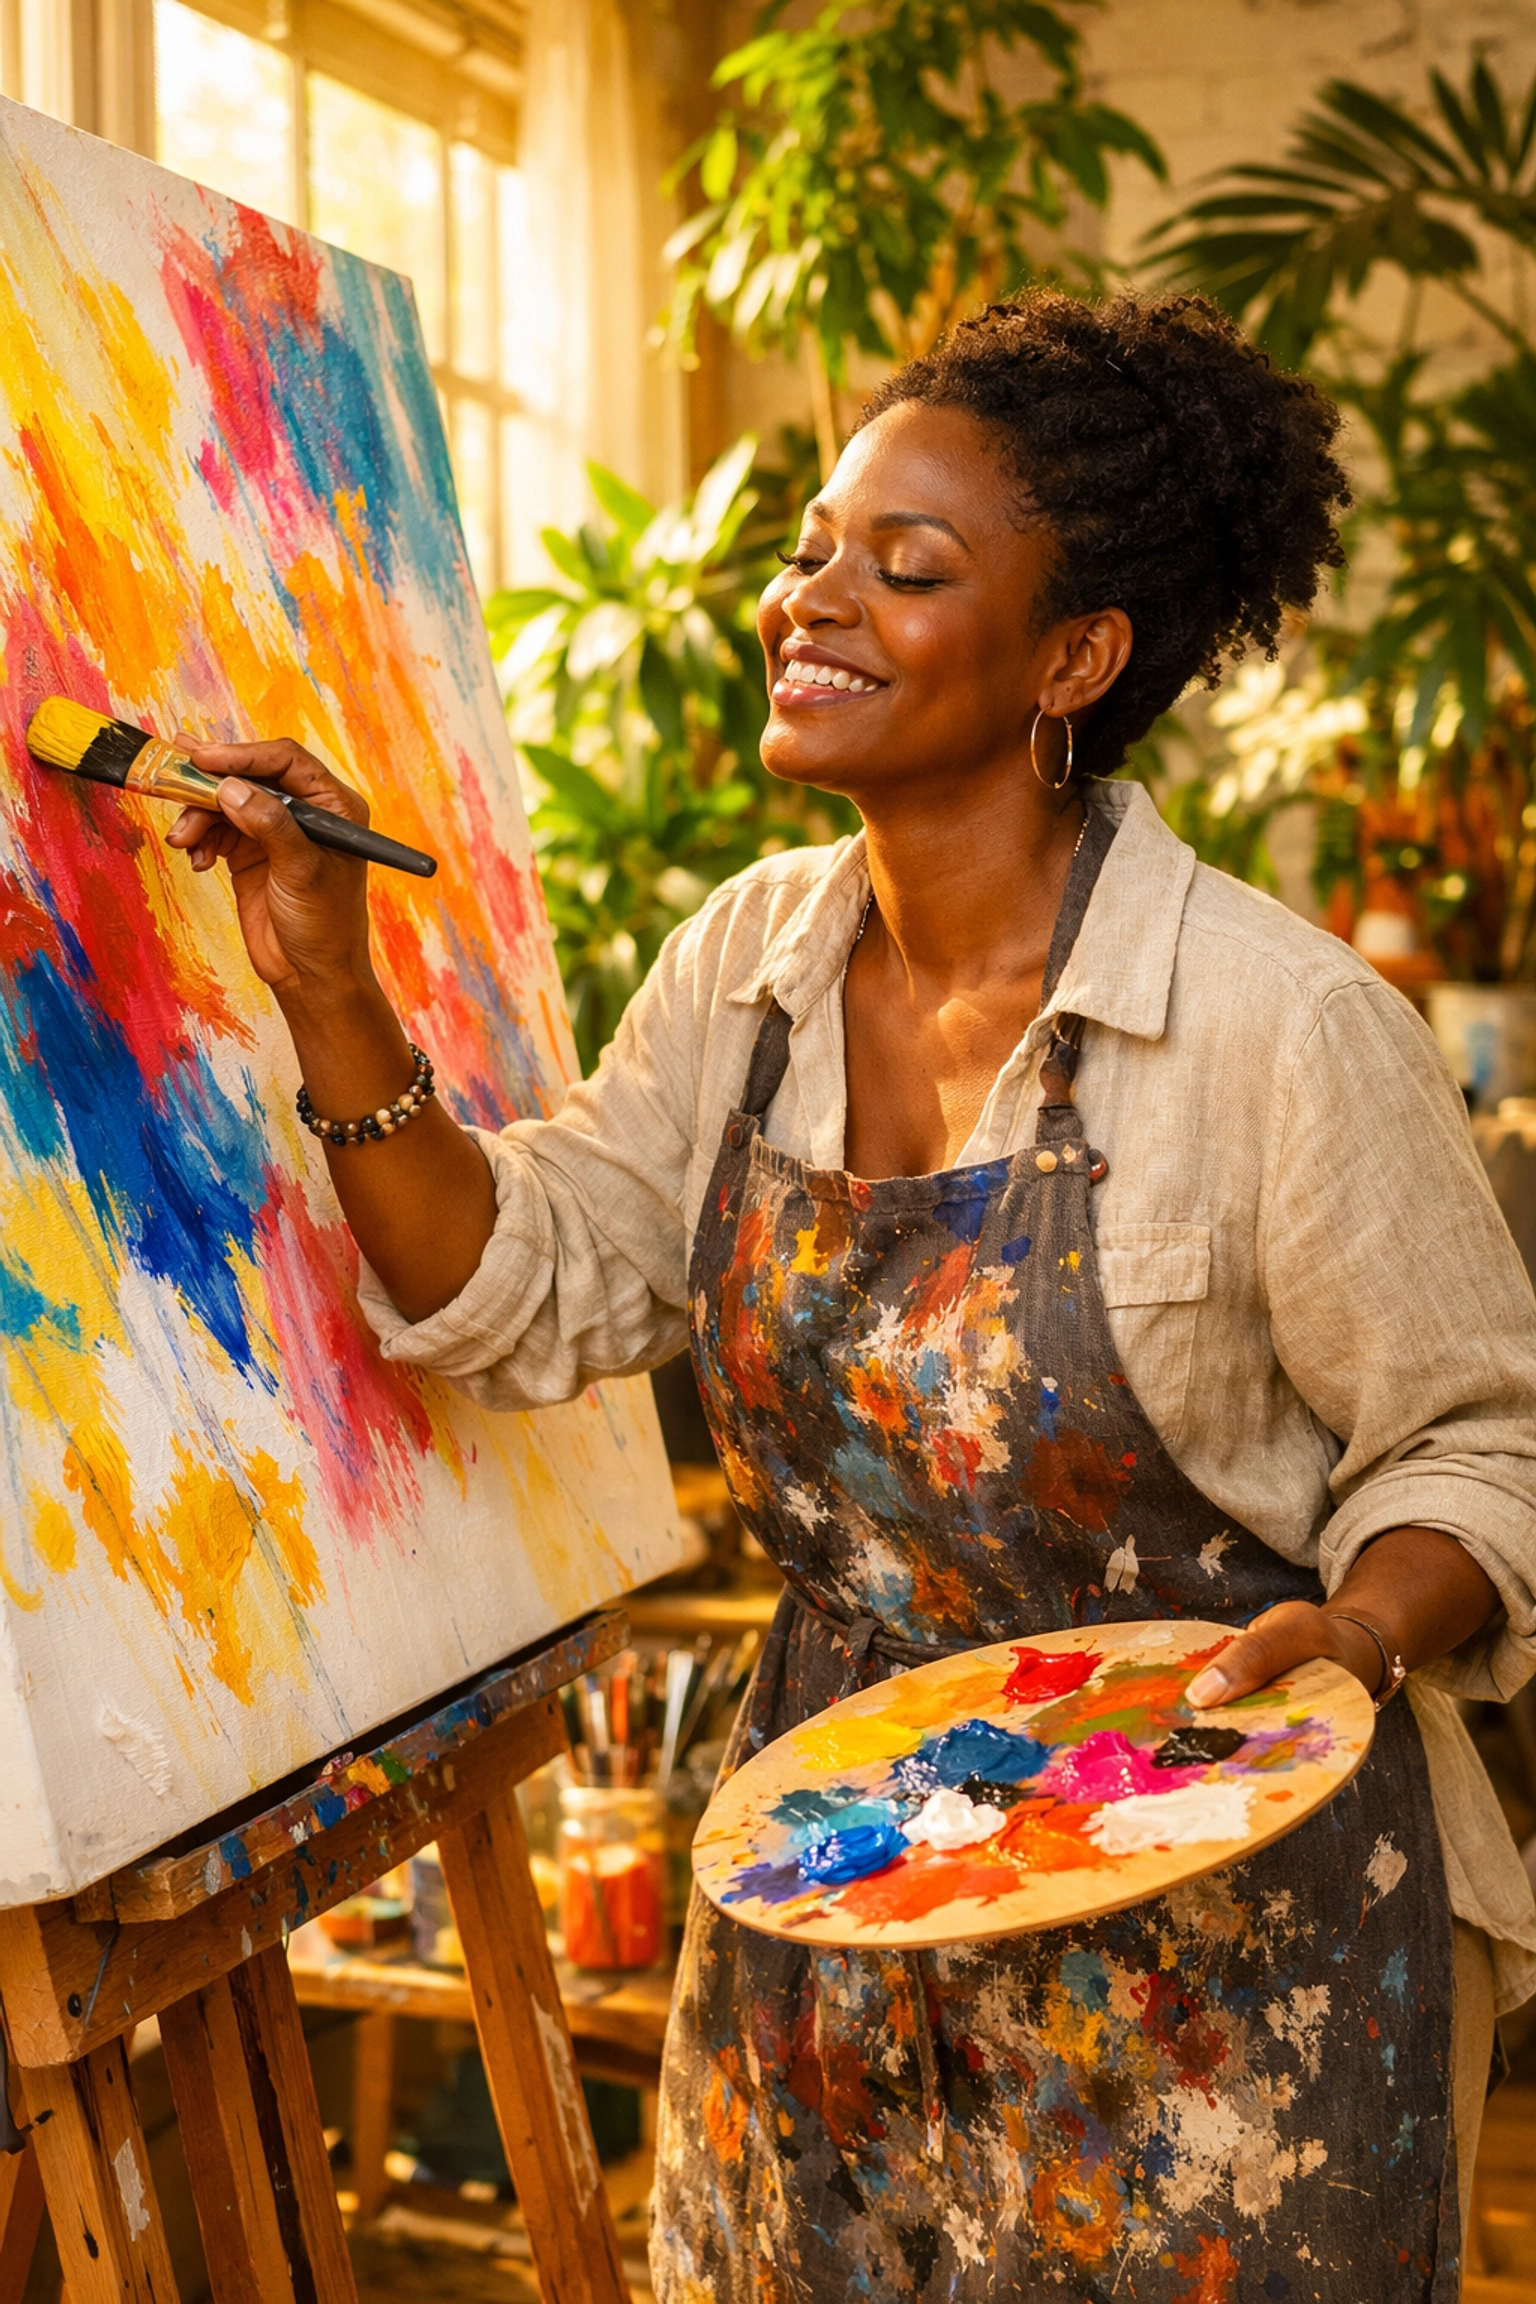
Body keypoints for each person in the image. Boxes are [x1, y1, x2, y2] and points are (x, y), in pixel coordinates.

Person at [169, 292, 1536, 2303]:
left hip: (1227, 1963)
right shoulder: (744, 971)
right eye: (816, 545)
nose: (816, 597)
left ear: (1075, 658)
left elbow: (1481, 1438)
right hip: (837, 1908)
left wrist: (1360, 1622)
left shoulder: (1279, 1024)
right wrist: (327, 983)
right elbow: (529, 1280)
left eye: (906, 569)